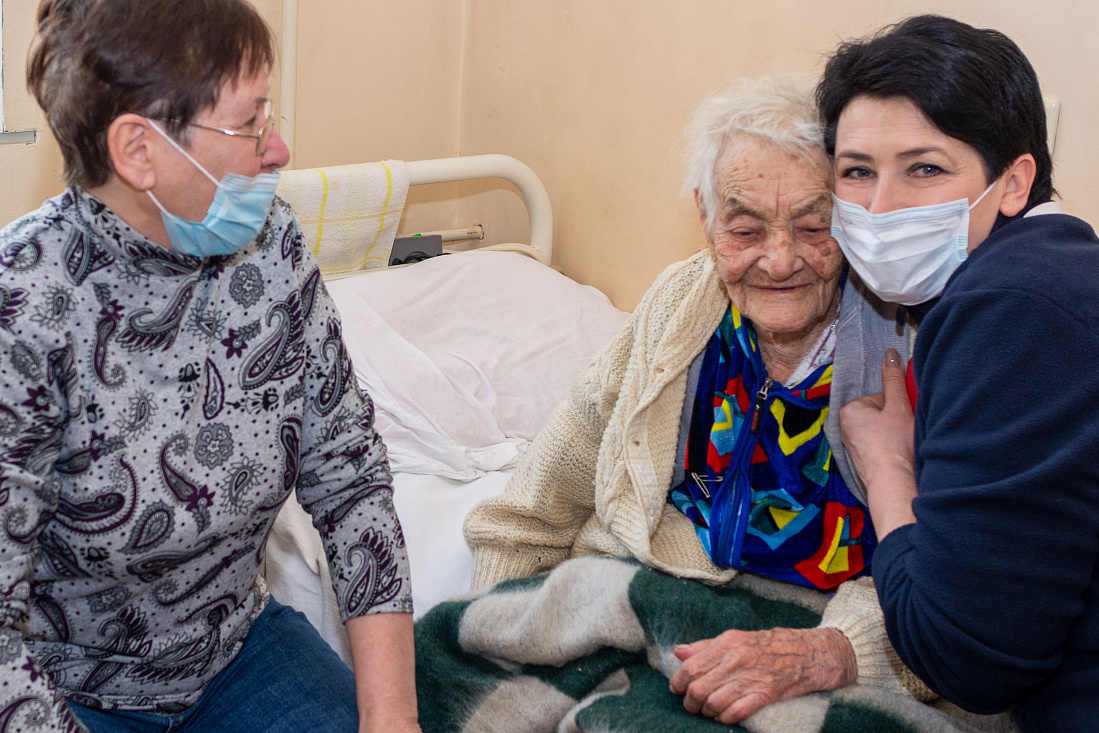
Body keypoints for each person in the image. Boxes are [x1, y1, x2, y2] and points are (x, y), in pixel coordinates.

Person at [452, 76, 930, 729]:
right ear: (705, 217)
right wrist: (492, 625)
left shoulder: (908, 343)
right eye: (745, 228)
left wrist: (842, 647)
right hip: (653, 597)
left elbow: (959, 589)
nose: (779, 260)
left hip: (824, 633)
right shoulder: (680, 305)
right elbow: (539, 500)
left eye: (814, 225)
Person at [0, 1, 421, 731]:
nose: (278, 147)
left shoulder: (273, 248)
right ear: (138, 150)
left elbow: (350, 480)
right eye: (250, 123)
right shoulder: (26, 306)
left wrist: (393, 717)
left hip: (235, 655)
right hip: (65, 689)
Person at [822, 15, 1099, 732]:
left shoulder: (1013, 308)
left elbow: (963, 657)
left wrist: (887, 466)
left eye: (925, 169)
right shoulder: (1056, 270)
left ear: (1013, 182)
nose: (879, 208)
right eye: (856, 170)